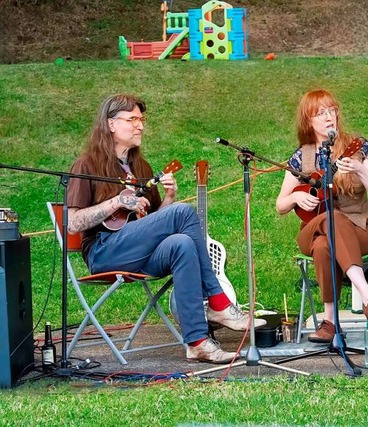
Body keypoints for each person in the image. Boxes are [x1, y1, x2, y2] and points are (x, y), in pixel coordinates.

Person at [66, 94, 265, 364]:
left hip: (138, 252)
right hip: (104, 251)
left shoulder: (141, 167)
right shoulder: (86, 164)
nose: (140, 126)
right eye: (132, 119)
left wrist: (168, 198)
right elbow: (73, 222)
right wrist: (116, 202)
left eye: (142, 120)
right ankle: (218, 302)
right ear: (111, 124)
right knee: (183, 213)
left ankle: (197, 343)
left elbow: (157, 224)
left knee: (182, 243)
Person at [275, 89, 368, 343]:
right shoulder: (303, 156)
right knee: (330, 221)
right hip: (313, 228)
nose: (329, 117)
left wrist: (360, 169)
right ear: (309, 120)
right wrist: (296, 197)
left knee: (324, 243)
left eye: (332, 111)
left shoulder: (358, 147)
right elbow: (280, 205)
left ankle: (329, 321)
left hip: (362, 228)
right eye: (321, 113)